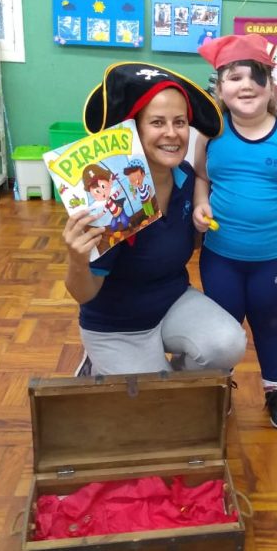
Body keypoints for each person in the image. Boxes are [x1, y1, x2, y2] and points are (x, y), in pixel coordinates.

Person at [63, 62, 247, 377]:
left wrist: (203, 221)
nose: (172, 133)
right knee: (154, 402)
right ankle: (98, 365)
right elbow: (84, 293)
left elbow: (179, 242)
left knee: (227, 344)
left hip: (172, 302)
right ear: (134, 130)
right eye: (157, 122)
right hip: (115, 326)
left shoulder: (186, 178)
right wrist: (77, 259)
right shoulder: (111, 196)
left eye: (180, 122)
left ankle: (170, 381)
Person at [194, 34, 277, 429]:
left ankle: (275, 390)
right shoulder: (211, 133)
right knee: (224, 327)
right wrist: (200, 202)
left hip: (272, 259)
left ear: (270, 87)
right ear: (220, 88)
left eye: (256, 77)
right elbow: (201, 176)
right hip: (220, 256)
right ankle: (221, 386)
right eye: (235, 77)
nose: (246, 85)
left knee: (268, 323)